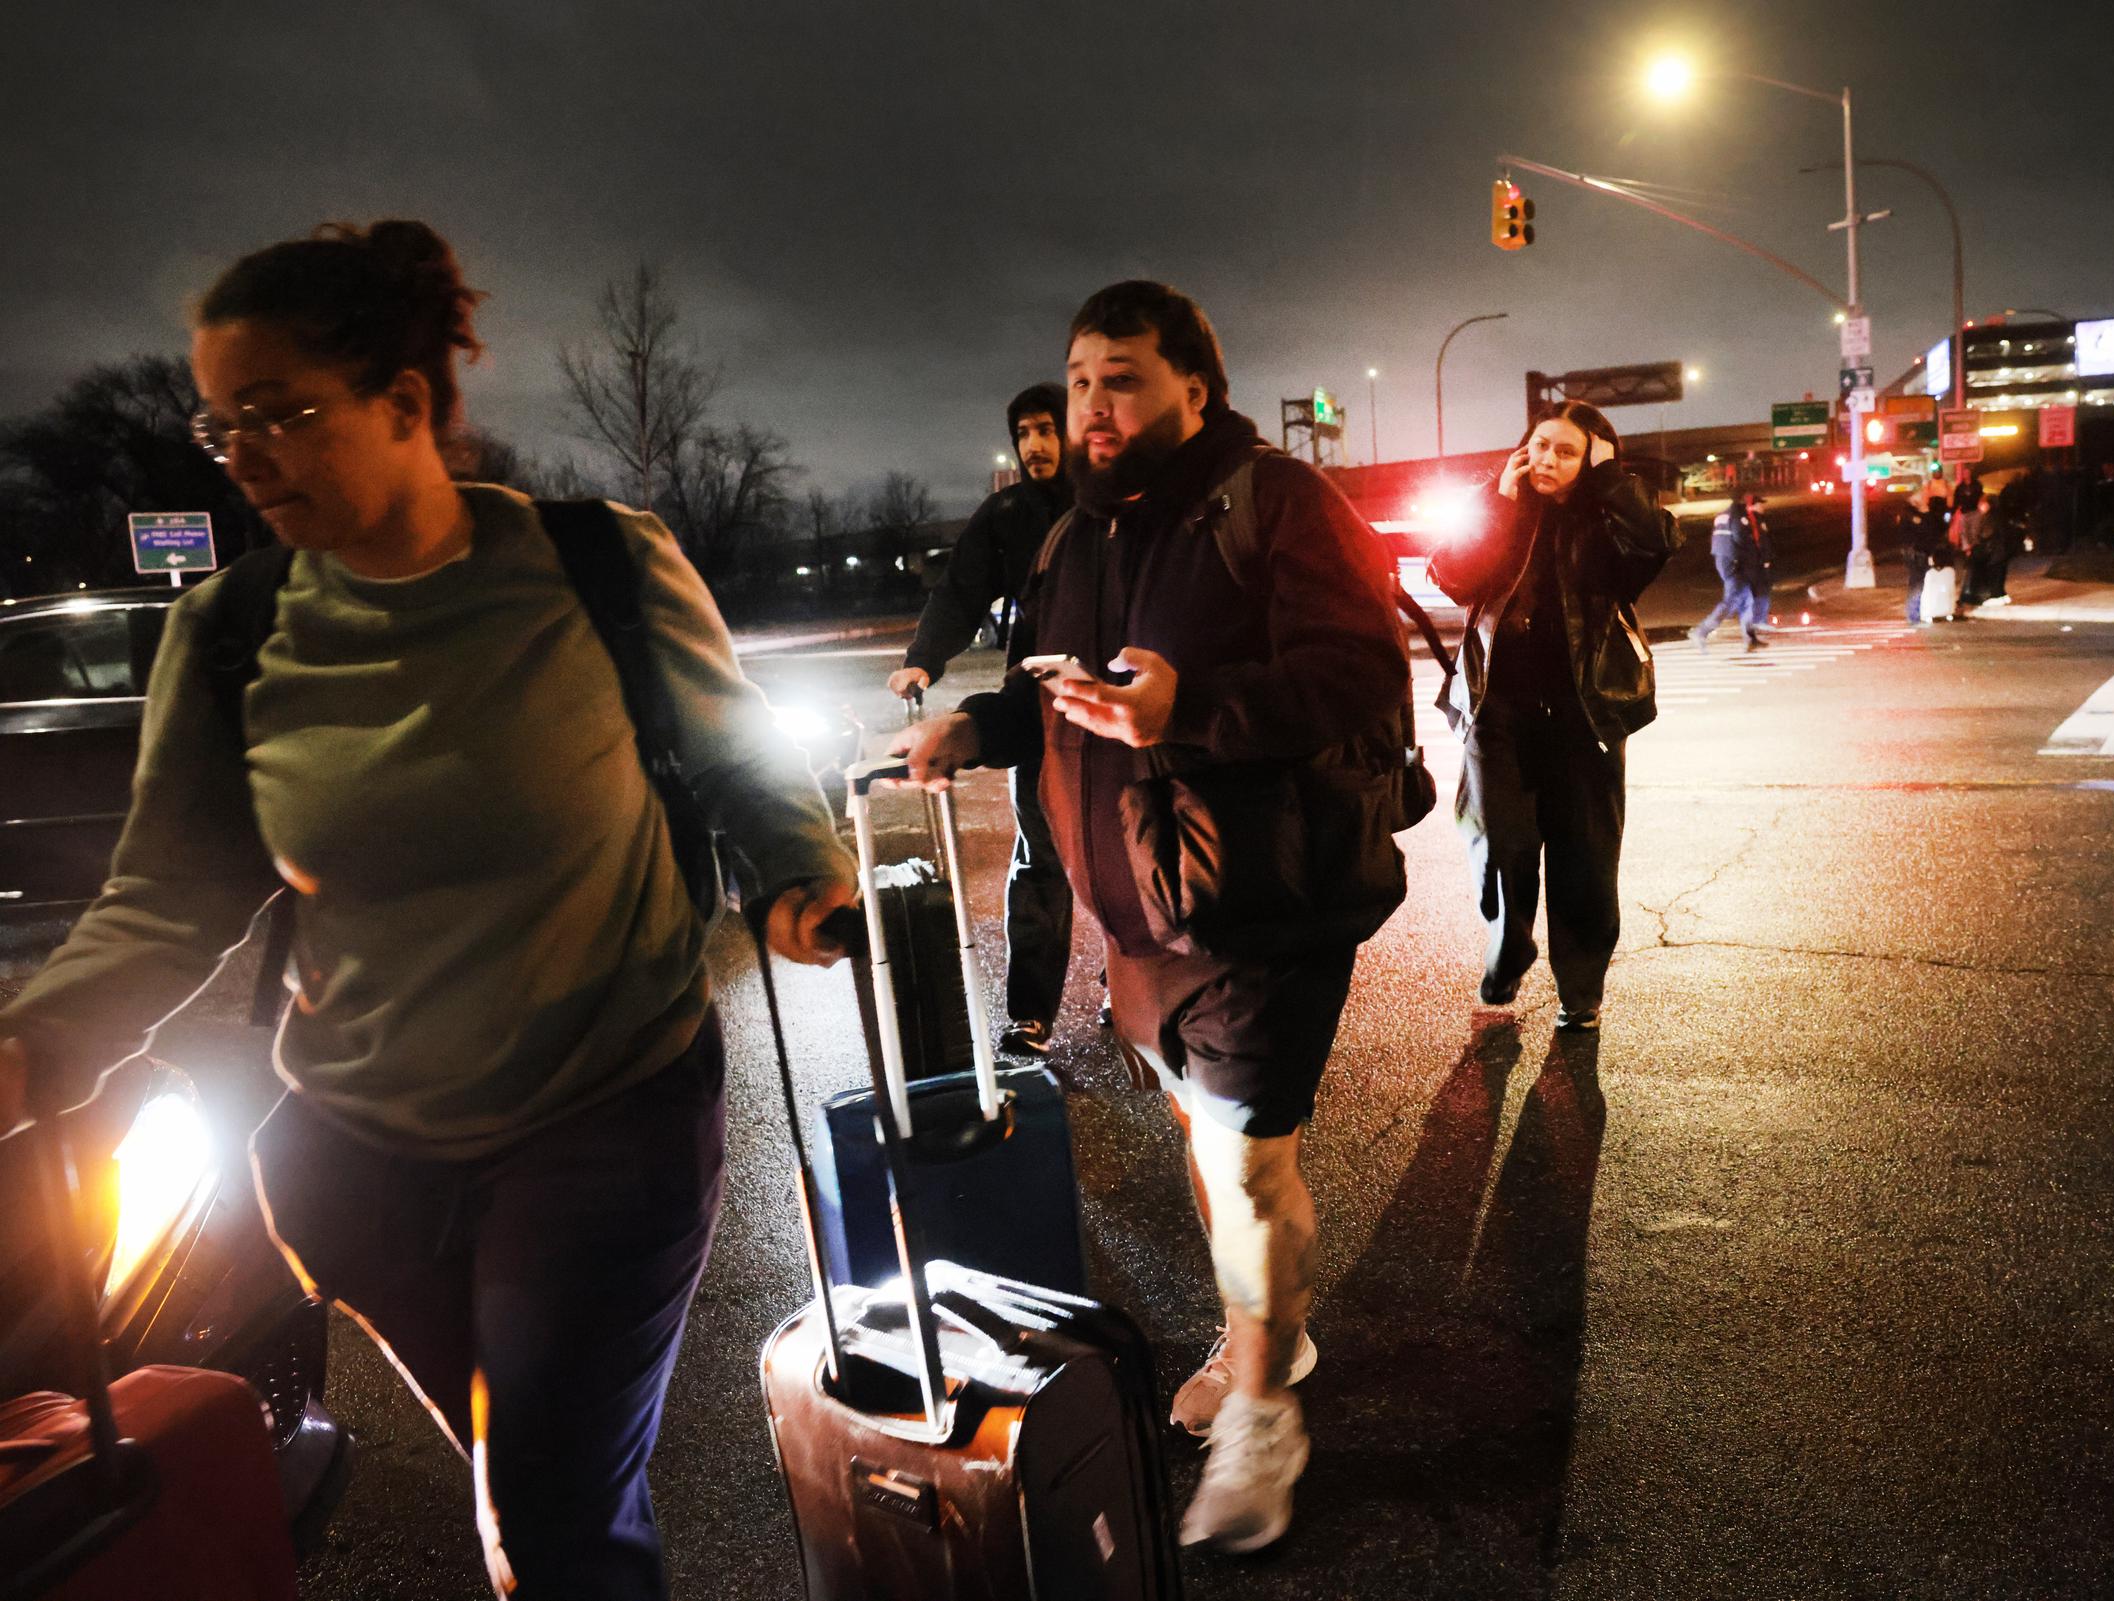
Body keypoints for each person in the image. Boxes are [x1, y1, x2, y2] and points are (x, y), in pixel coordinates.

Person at [0, 221, 856, 1601]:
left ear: (407, 404)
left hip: (604, 1120)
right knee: (525, 1460)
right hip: (356, 1173)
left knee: (548, 1518)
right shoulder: (230, 632)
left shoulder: (597, 566)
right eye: (223, 427)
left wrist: (802, 869)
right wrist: (35, 1048)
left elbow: (734, 749)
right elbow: (164, 898)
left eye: (279, 413)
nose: (244, 454)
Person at [890, 280, 1409, 1554]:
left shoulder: (1276, 503)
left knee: (1246, 1160)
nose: (1091, 404)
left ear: (1196, 386)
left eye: (1120, 377)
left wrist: (1194, 710)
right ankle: (1266, 1332)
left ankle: (1264, 1409)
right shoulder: (1075, 537)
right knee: (1218, 1149)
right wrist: (980, 724)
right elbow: (1065, 692)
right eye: (1078, 379)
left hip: (1262, 904)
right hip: (1137, 919)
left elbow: (1363, 675)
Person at [1432, 400, 1678, 1031]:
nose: (1546, 459)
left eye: (1565, 451)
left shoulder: (1611, 518)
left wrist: (1608, 480)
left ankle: (1581, 991)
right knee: (1499, 842)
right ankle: (1509, 943)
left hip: (1586, 714)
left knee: (1585, 857)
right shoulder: (1502, 507)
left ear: (1593, 460)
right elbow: (1452, 576)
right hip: (1499, 711)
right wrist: (1497, 505)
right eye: (1540, 444)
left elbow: (1654, 544)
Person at [887, 383, 1078, 1054]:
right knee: (1041, 855)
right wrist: (923, 659)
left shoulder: (1108, 502)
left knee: (1128, 850)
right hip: (1033, 706)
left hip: (1110, 698)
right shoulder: (1006, 513)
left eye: (1048, 429)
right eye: (1024, 432)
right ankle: (1031, 1012)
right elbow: (961, 588)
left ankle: (1133, 986)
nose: (1035, 445)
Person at [1691, 491, 1769, 650]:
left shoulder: (1724, 514)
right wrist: (1755, 560)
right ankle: (1701, 631)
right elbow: (1741, 539)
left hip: (1725, 560)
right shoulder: (1738, 515)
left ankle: (1750, 639)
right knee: (1732, 600)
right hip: (1733, 563)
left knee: (1747, 599)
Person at [1900, 481, 1950, 623]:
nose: (1924, 498)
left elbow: (1935, 529)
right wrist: (1925, 513)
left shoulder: (1920, 513)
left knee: (1918, 583)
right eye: (1921, 495)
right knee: (1916, 583)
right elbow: (1926, 531)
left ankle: (1915, 613)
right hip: (1916, 553)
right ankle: (1913, 614)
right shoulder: (1911, 514)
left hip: (1921, 552)